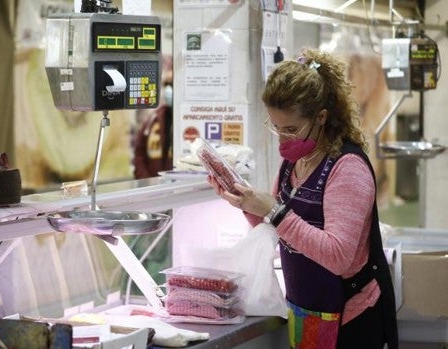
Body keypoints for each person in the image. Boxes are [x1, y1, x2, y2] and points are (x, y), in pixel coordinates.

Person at [207, 49, 398, 348]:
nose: (283, 139)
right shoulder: (291, 164)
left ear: (321, 117)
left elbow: (338, 256)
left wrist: (275, 211)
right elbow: (277, 228)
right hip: (306, 313)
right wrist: (246, 204)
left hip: (350, 318)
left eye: (292, 129)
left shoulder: (347, 168)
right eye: (276, 127)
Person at [132, 69, 174, 179]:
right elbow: (139, 153)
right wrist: (146, 181)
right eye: (166, 85)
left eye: (172, 84)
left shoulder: (189, 121)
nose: (168, 89)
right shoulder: (153, 118)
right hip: (153, 189)